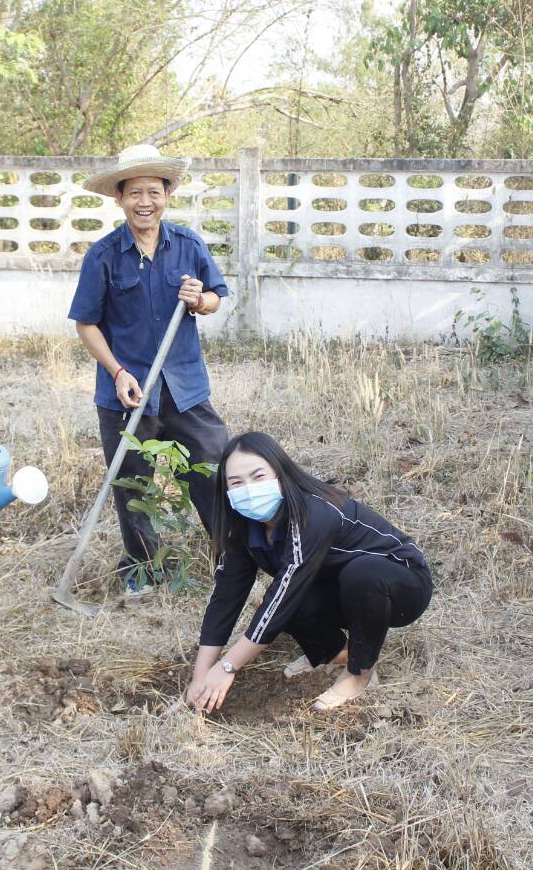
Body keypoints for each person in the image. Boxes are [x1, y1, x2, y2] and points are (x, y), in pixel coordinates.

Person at [68, 143, 230, 593]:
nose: (145, 202)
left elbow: (216, 297)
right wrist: (117, 372)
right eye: (135, 192)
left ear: (167, 195)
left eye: (154, 192)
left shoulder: (189, 245)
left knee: (212, 469)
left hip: (185, 388)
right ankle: (142, 568)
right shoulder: (103, 256)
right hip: (127, 391)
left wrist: (199, 301)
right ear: (119, 198)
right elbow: (86, 324)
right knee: (132, 484)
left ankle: (229, 560)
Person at [184, 433, 433, 713]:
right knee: (284, 602)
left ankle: (359, 673)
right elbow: (226, 596)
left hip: (401, 584)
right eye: (236, 482)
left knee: (359, 575)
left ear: (280, 474)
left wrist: (228, 666)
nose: (249, 489)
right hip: (339, 589)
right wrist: (201, 677)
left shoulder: (314, 510)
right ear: (226, 489)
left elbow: (287, 589)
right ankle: (338, 653)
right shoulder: (243, 526)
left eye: (258, 476)